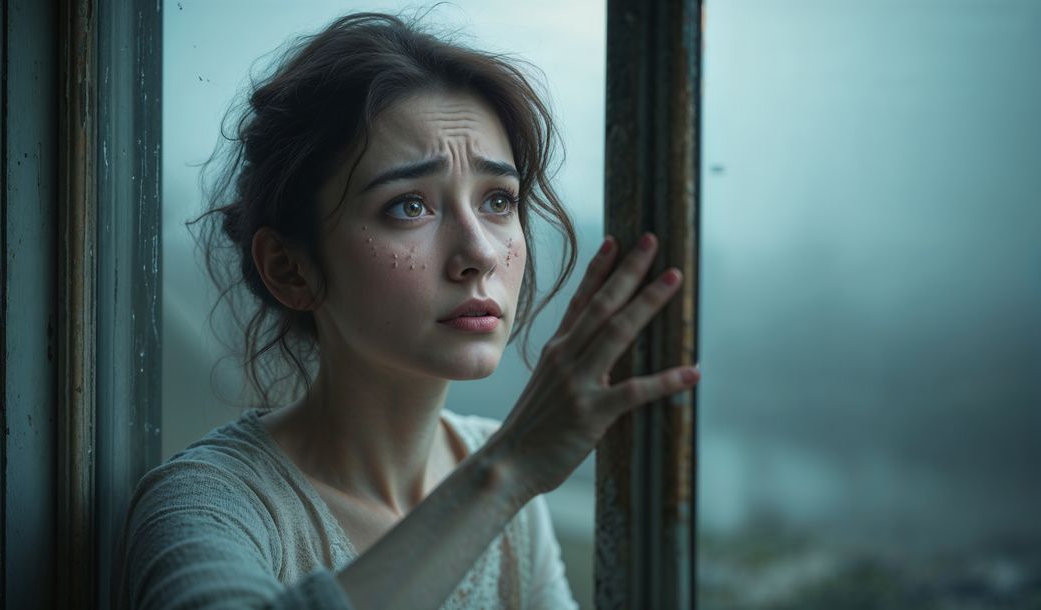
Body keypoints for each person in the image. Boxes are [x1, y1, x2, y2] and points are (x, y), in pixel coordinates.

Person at [115, 11, 701, 610]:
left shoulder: (501, 480)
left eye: (498, 200)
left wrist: (507, 469)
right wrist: (512, 468)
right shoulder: (208, 502)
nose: (478, 252)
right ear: (292, 268)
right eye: (409, 206)